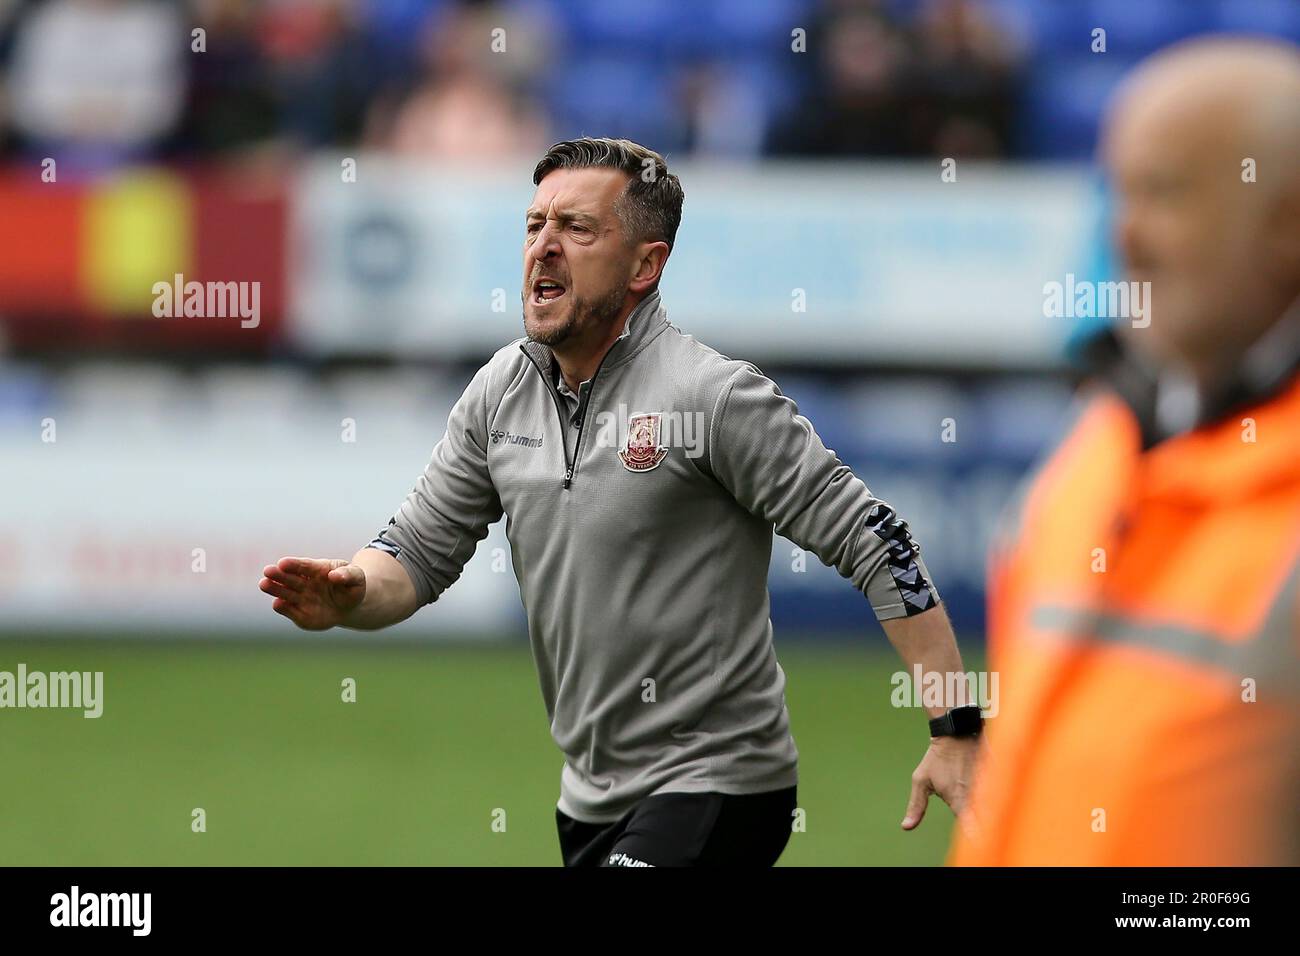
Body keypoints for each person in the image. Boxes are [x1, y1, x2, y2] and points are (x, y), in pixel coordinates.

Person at [261, 137, 979, 867]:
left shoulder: (712, 396)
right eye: (535, 224)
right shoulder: (498, 392)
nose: (543, 247)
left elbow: (878, 541)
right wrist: (352, 593)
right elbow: (414, 555)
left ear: (645, 265)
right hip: (589, 800)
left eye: (577, 229)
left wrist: (954, 727)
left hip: (720, 784)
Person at [950, 38, 1300, 866]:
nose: (1126, 236)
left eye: (1167, 193)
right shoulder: (1090, 455)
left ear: (1289, 223)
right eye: (1121, 191)